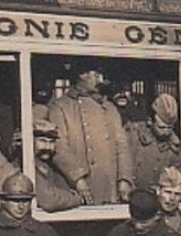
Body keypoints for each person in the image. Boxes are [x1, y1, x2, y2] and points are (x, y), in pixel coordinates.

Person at [46, 65, 131, 205]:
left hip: (108, 187)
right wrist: (77, 178)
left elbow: (122, 146)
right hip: (76, 187)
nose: (101, 80)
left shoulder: (110, 108)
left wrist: (124, 179)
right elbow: (59, 145)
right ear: (82, 74)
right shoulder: (60, 106)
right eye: (96, 74)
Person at [130, 93, 181, 194]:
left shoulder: (176, 148)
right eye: (162, 127)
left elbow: (176, 180)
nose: (166, 132)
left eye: (170, 128)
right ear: (150, 121)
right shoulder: (135, 136)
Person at [30, 117, 85, 212]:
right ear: (32, 141)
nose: (47, 147)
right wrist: (77, 198)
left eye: (51, 142)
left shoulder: (51, 167)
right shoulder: (29, 166)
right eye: (42, 141)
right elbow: (48, 201)